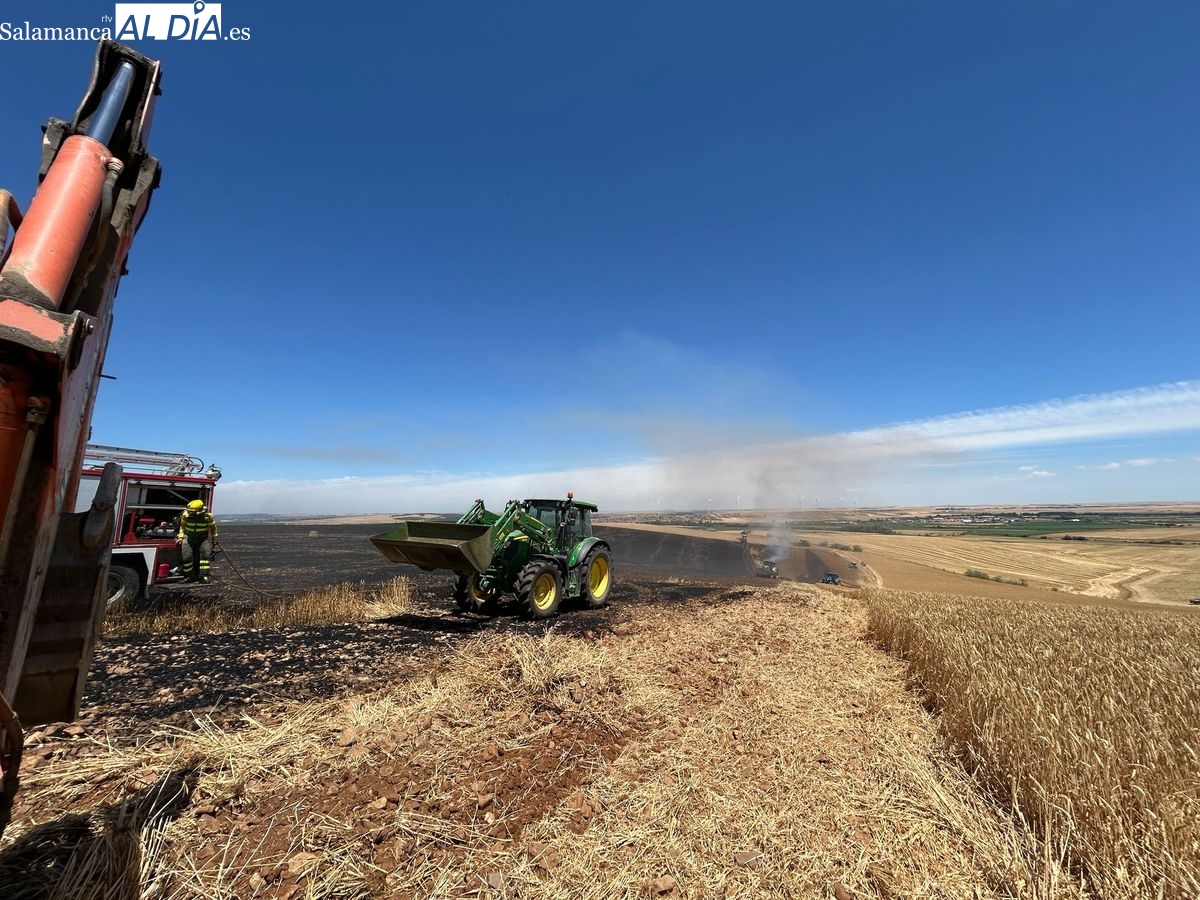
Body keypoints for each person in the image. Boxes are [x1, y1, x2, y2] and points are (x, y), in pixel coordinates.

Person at [177, 499, 218, 583]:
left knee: (205, 557)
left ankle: (203, 576)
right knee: (187, 558)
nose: (190, 513)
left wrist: (215, 540)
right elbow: (182, 527)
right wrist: (180, 537)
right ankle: (188, 577)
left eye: (192, 511)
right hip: (189, 538)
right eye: (189, 511)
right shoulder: (185, 515)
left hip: (202, 539)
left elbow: (214, 529)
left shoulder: (208, 517)